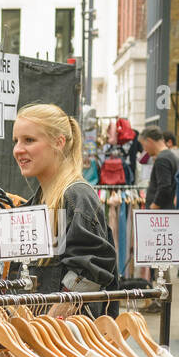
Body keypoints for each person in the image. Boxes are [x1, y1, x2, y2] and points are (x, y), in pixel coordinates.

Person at [13, 104, 118, 301]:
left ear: (59, 142)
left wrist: (52, 319)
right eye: (16, 141)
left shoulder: (76, 196)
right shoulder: (38, 201)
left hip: (63, 330)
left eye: (29, 140)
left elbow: (90, 272)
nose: (18, 149)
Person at [143, 125, 179, 209]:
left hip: (161, 214)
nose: (145, 149)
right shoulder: (170, 155)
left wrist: (153, 207)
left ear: (149, 141)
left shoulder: (162, 159)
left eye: (143, 144)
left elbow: (164, 188)